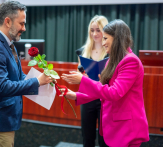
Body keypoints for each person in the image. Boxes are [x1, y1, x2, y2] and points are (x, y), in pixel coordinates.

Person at [0, 1, 52, 147]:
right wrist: (36, 82)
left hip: (4, 119)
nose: (24, 28)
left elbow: (18, 76)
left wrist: (40, 80)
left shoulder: (8, 44)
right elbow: (2, 87)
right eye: (21, 24)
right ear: (8, 21)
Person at [61, 19, 149, 147]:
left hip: (126, 128)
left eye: (105, 38)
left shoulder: (131, 61)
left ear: (117, 38)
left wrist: (83, 80)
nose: (103, 43)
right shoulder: (112, 60)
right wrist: (76, 95)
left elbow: (114, 93)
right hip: (114, 125)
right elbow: (104, 90)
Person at [75, 15, 108, 147]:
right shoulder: (84, 51)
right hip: (87, 97)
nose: (95, 33)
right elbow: (79, 72)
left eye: (98, 30)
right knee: (87, 136)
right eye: (92, 30)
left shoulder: (110, 51)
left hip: (104, 97)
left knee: (104, 137)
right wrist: (82, 77)